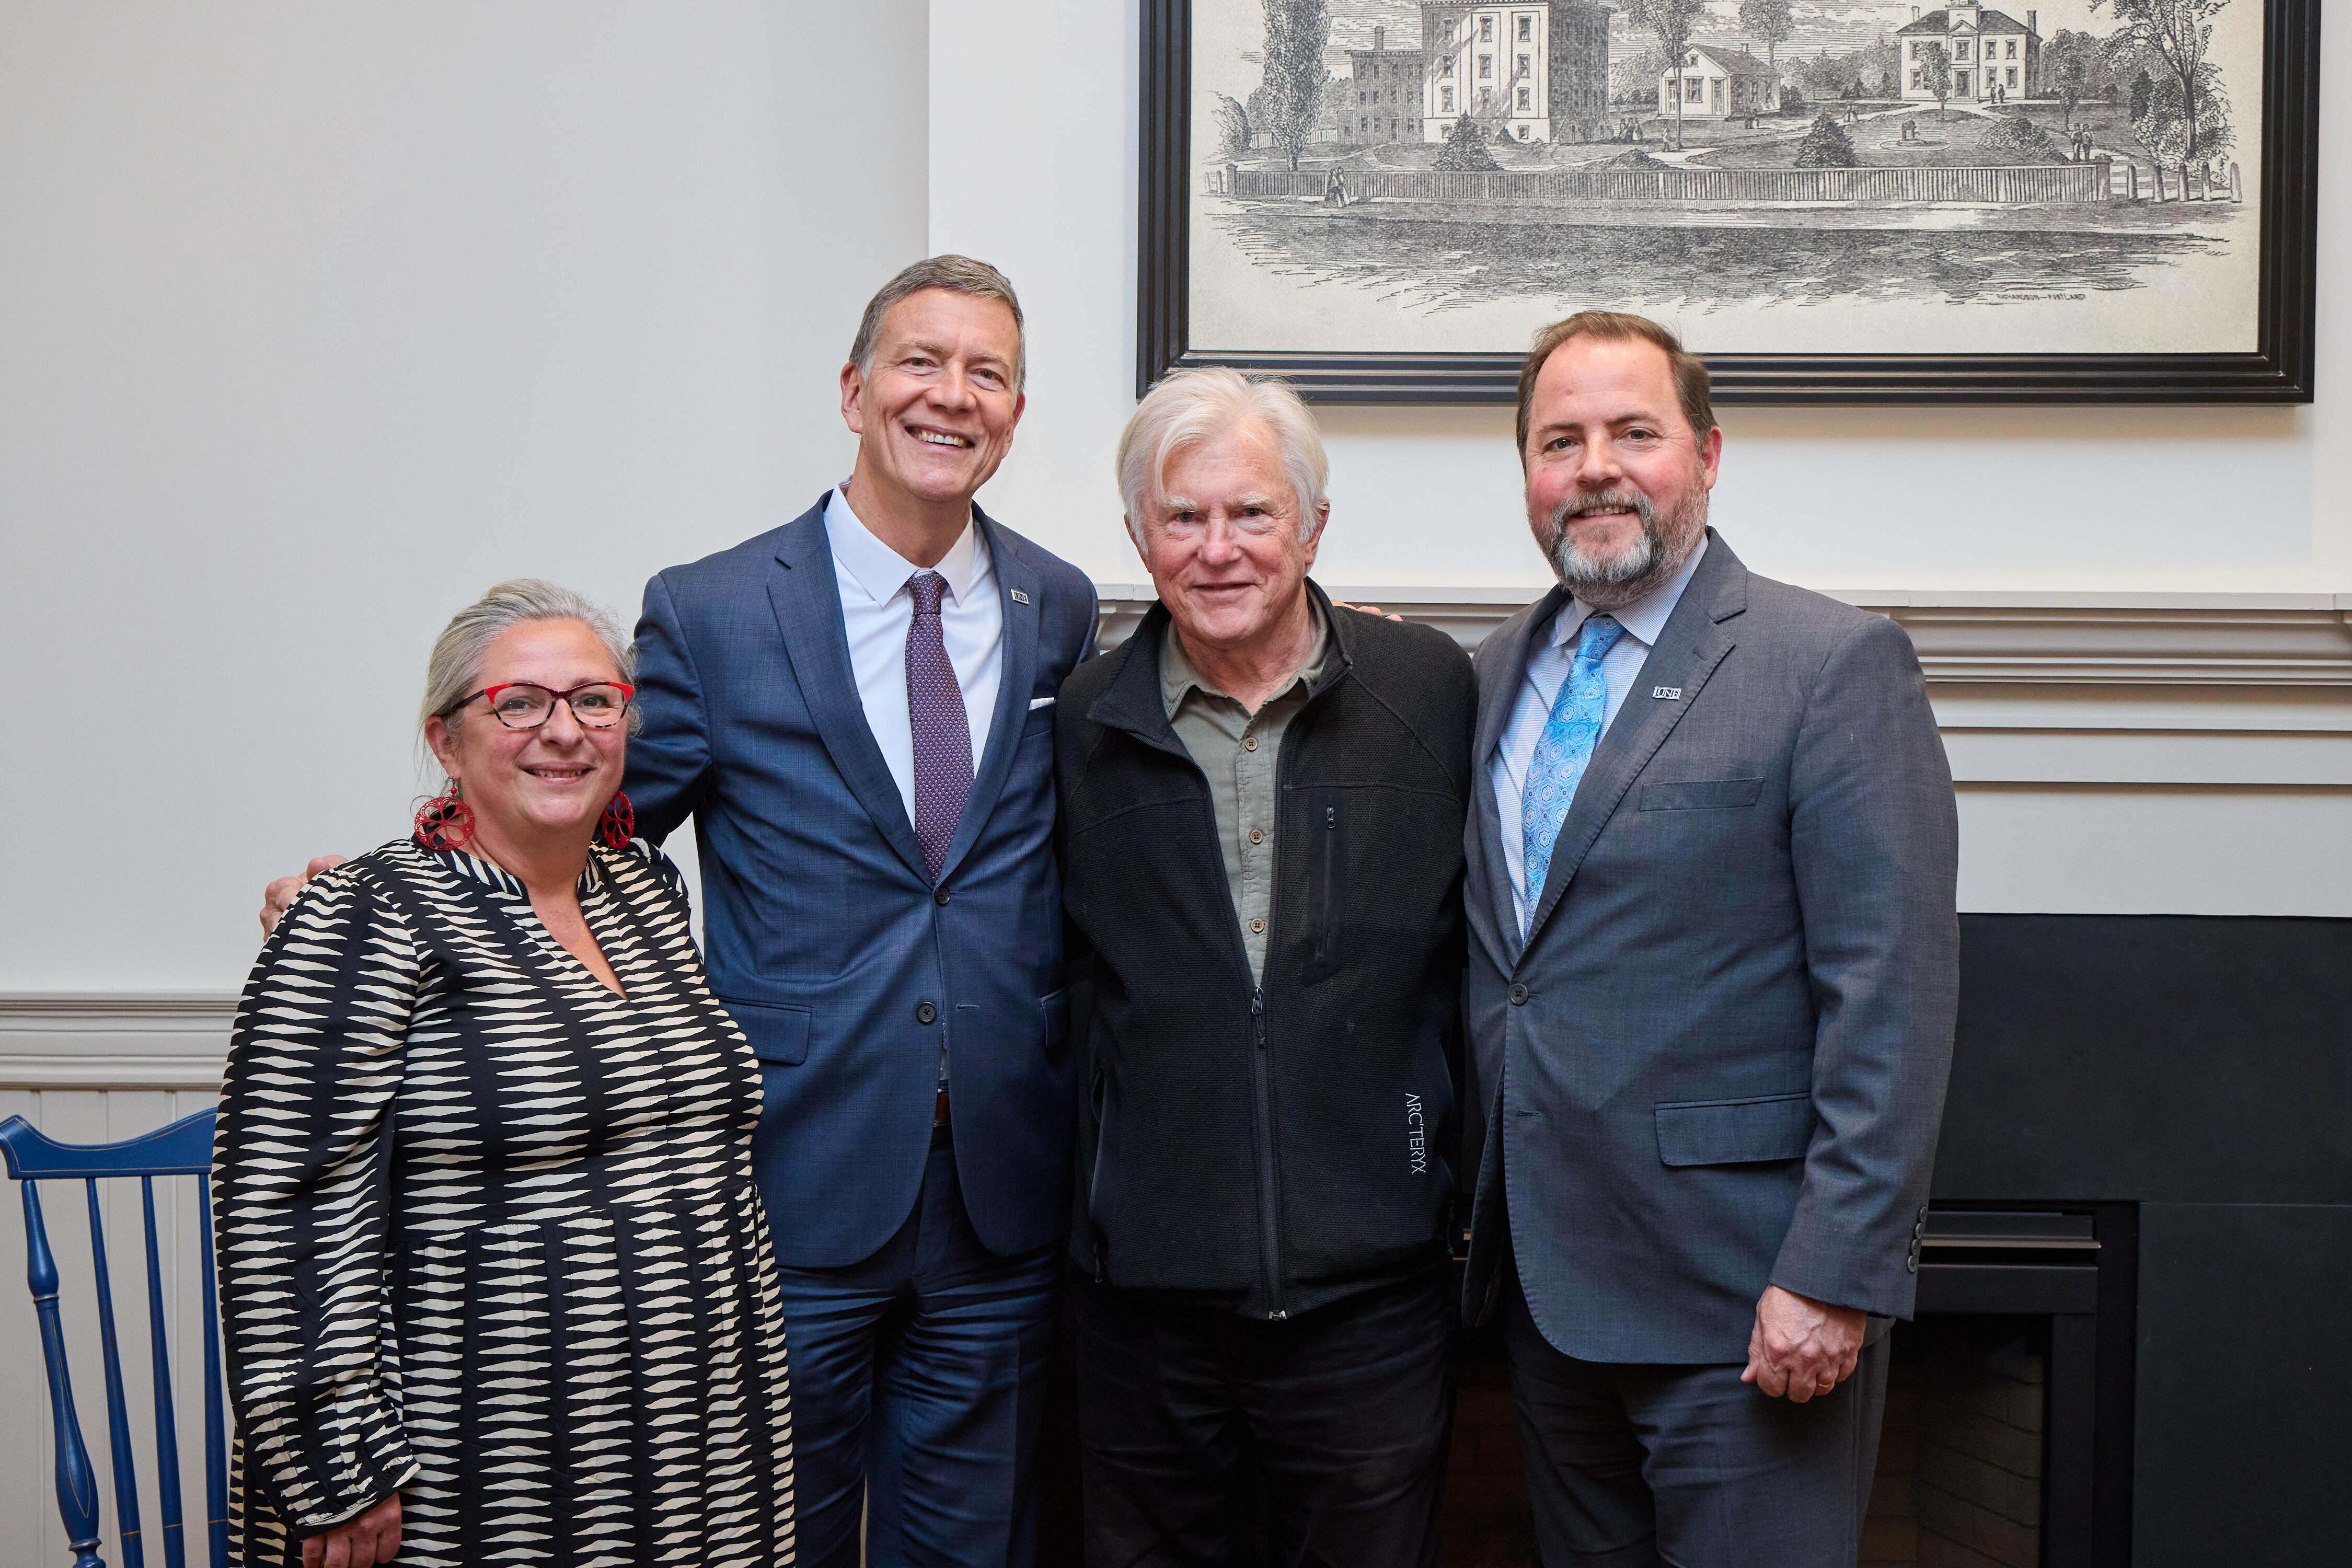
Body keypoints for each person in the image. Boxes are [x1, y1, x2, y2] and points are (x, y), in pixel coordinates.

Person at [256, 256, 1097, 1568]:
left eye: (986, 371)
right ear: (854, 387)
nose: (952, 395)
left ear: (1019, 410)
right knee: (768, 1543)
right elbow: (569, 801)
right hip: (791, 1186)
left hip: (1003, 1183)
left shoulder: (1059, 607)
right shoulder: (715, 610)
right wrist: (377, 885)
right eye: (921, 362)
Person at [1457, 312, 1959, 1566]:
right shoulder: (1485, 676)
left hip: (1750, 1304)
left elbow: (1889, 993)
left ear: (1710, 454)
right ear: (1526, 471)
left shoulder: (1830, 663)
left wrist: (1834, 1273)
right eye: (1559, 440)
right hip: (1549, 1289)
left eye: (1636, 432)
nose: (1595, 468)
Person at [217, 580, 794, 1568]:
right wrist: (332, 1465)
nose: (562, 732)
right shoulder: (364, 916)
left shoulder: (645, 892)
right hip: (480, 1457)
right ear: (447, 741)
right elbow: (285, 1199)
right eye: (519, 703)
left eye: (594, 700)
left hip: (699, 1441)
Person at [1054, 368, 1477, 1566]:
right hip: (1145, 1304)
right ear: (1139, 535)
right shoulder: (1083, 721)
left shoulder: (1426, 691)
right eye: (1182, 518)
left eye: (1252, 514)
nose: (1218, 549)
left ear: (1313, 528)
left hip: (1372, 1296)